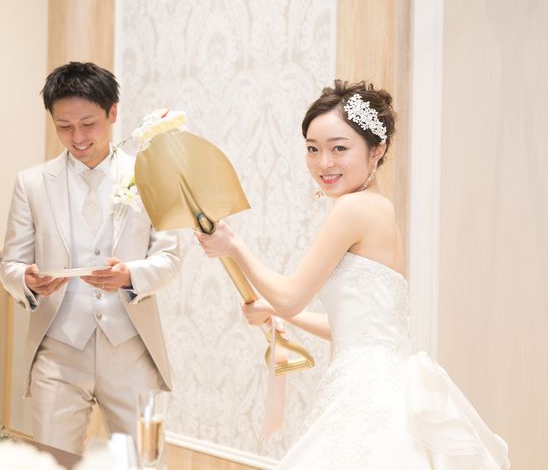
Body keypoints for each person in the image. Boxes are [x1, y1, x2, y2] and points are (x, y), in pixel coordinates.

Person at [196, 80, 510, 469]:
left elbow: (291, 297)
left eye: (339, 148)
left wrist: (234, 246)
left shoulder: (353, 210)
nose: (323, 163)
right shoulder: (379, 207)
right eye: (313, 149)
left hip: (365, 389)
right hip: (383, 380)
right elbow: (352, 327)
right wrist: (275, 310)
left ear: (377, 150)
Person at [0, 62, 180, 454]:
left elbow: (169, 260)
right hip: (58, 351)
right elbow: (9, 264)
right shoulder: (31, 183)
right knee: (52, 461)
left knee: (142, 460)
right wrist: (27, 279)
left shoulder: (149, 175)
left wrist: (129, 275)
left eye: (88, 124)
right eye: (64, 126)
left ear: (112, 113)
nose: (77, 137)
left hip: (130, 348)